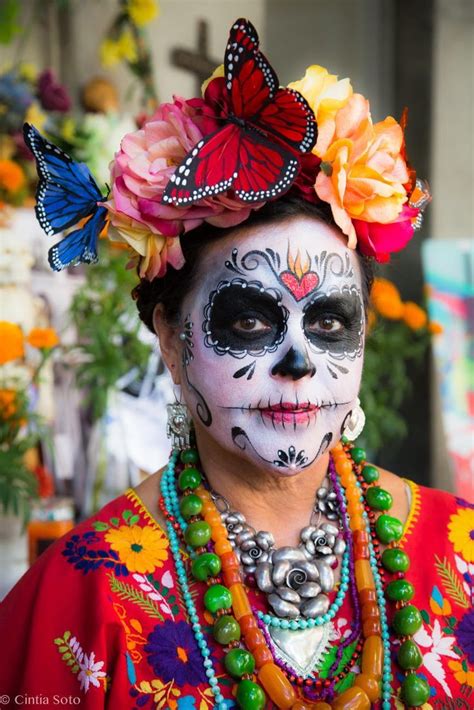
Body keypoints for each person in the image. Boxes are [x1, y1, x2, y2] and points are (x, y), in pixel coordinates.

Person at [1, 17, 472, 710]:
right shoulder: (81, 597)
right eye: (249, 319)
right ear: (168, 333)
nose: (299, 364)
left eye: (331, 322)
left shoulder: (459, 555)